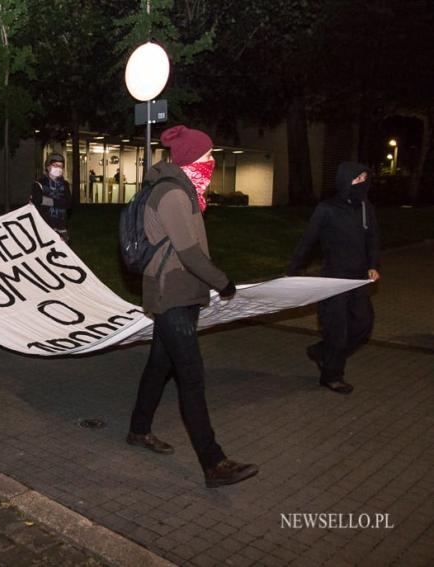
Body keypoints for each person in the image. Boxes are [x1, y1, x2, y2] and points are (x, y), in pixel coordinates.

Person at [127, 125, 258, 489]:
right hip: (172, 296)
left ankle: (138, 429)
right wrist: (223, 282)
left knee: (158, 367)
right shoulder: (171, 194)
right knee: (192, 378)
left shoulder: (184, 190)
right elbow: (188, 252)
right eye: (206, 155)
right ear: (189, 159)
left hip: (178, 293)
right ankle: (213, 463)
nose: (211, 160)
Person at [286, 162, 380, 394]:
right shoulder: (326, 209)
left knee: (362, 325)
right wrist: (292, 271)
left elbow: (373, 240)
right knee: (337, 331)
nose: (362, 183)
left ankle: (322, 352)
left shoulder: (366, 207)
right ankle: (332, 375)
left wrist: (373, 265)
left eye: (365, 179)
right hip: (333, 279)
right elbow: (308, 241)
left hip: (358, 280)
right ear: (345, 180)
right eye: (358, 179)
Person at [31, 154, 72, 242]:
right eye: (55, 165)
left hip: (61, 226)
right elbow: (37, 201)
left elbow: (68, 204)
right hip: (44, 225)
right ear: (48, 166)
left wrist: (46, 201)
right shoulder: (39, 184)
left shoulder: (65, 184)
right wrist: (59, 202)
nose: (58, 168)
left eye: (60, 166)